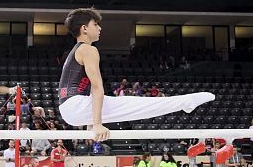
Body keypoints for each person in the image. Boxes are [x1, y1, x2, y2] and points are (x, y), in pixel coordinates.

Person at [58, 8, 216, 142]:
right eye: (96, 24)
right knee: (136, 105)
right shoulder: (88, 49)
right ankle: (186, 102)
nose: (100, 28)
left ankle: (185, 103)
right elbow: (97, 87)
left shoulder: (75, 51)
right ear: (84, 28)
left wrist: (90, 122)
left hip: (70, 109)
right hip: (75, 106)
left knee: (130, 105)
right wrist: (97, 124)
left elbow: (83, 86)